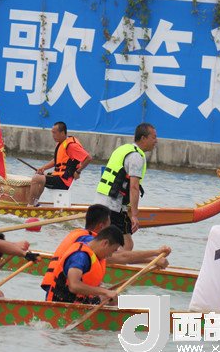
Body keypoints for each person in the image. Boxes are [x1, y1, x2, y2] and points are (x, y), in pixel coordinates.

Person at [41, 204, 170, 292]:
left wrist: (154, 260)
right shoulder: (87, 242)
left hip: (65, 288)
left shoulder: (87, 238)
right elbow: (122, 256)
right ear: (102, 226)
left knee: (113, 297)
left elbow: (120, 256)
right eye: (109, 225)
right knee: (110, 297)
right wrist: (155, 254)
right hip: (60, 291)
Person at [94, 123, 157, 251]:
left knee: (115, 242)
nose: (156, 141)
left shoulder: (124, 149)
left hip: (101, 201)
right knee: (125, 244)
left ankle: (101, 259)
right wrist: (134, 215)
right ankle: (104, 261)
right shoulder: (136, 156)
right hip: (113, 206)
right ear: (143, 138)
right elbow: (134, 187)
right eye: (153, 137)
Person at [46, 225, 124, 304]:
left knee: (118, 301)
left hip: (80, 302)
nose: (110, 255)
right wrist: (104, 292)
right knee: (115, 302)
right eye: (112, 250)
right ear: (105, 243)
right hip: (61, 305)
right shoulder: (79, 257)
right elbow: (73, 286)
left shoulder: (93, 255)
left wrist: (104, 291)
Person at [28, 121, 91, 207]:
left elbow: (88, 158)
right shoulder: (62, 143)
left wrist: (78, 171)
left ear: (62, 133)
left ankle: (30, 206)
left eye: (54, 133)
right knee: (40, 176)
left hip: (64, 181)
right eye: (52, 133)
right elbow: (57, 161)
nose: (53, 135)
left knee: (36, 178)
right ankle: (35, 203)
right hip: (59, 176)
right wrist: (43, 168)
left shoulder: (71, 146)